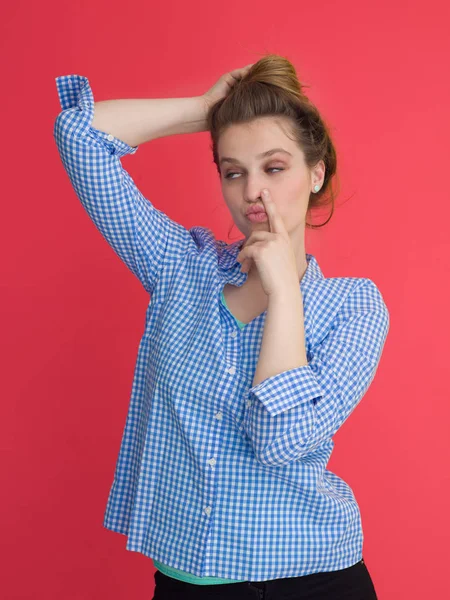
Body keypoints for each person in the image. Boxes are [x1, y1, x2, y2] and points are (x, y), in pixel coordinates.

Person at [54, 54, 388, 599]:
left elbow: (281, 441)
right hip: (192, 584)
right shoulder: (178, 266)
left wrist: (283, 294)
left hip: (317, 579)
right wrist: (203, 110)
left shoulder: (353, 307)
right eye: (234, 171)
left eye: (274, 167)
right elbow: (78, 134)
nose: (252, 190)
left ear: (316, 172)